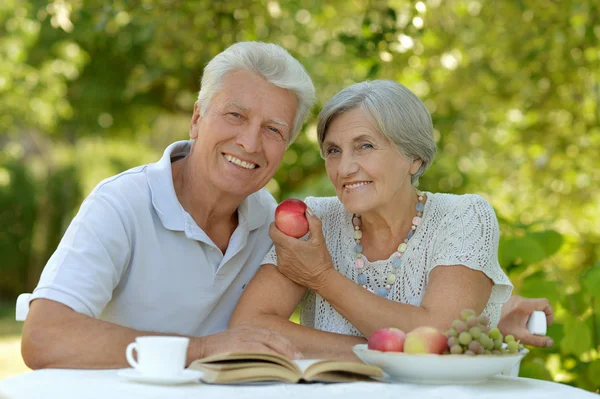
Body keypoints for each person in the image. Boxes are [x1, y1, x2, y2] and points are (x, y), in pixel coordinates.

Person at [21, 42, 316, 369]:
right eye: (235, 115)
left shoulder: (273, 227)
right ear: (196, 119)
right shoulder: (121, 203)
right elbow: (43, 337)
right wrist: (203, 349)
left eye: (273, 129)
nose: (249, 142)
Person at [229, 80, 553, 359]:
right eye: (333, 151)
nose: (344, 169)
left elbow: (436, 334)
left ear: (415, 158)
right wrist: (380, 350)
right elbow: (248, 329)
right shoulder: (317, 219)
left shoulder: (463, 215)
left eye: (365, 146)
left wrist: (321, 277)